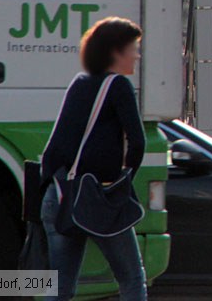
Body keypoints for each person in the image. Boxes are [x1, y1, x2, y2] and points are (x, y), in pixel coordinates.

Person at [40, 17, 147, 301]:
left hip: (59, 196)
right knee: (132, 278)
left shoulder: (79, 82)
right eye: (133, 48)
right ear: (115, 51)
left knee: (60, 288)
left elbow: (54, 150)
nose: (137, 55)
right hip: (99, 199)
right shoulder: (119, 86)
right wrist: (123, 185)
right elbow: (137, 143)